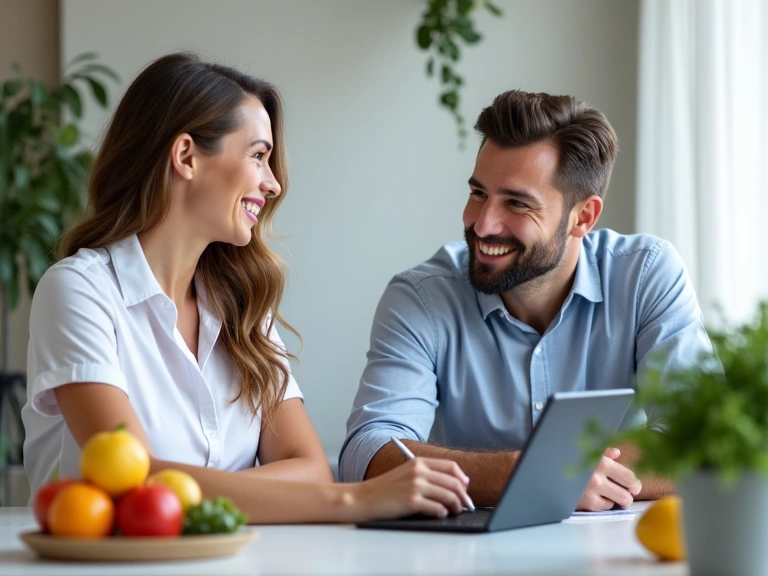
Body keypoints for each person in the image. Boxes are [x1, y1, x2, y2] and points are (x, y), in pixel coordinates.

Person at [21, 52, 473, 523]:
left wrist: (194, 486)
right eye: (258, 156)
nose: (273, 184)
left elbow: (312, 470)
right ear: (186, 156)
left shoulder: (242, 307)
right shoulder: (79, 291)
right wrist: (358, 498)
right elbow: (130, 481)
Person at [340, 90, 710, 511]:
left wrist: (567, 473)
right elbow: (368, 454)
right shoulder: (421, 298)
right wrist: (533, 474)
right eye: (478, 193)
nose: (483, 224)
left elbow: (702, 439)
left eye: (516, 203)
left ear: (583, 217)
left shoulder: (645, 274)